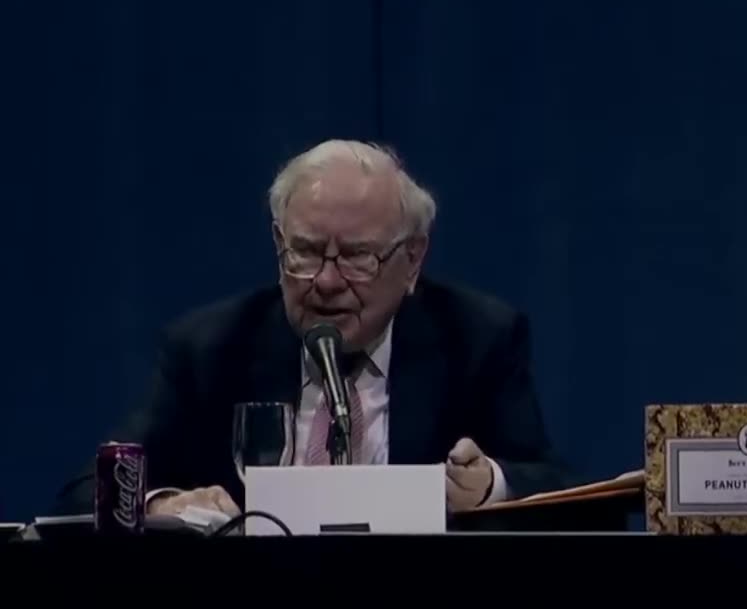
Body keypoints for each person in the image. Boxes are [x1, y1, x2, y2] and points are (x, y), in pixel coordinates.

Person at [59, 139, 565, 519]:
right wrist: (161, 505)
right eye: (304, 252)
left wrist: (489, 485)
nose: (325, 281)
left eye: (357, 256)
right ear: (278, 242)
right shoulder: (211, 348)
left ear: (412, 260)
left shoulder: (475, 339)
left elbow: (555, 486)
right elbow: (92, 489)